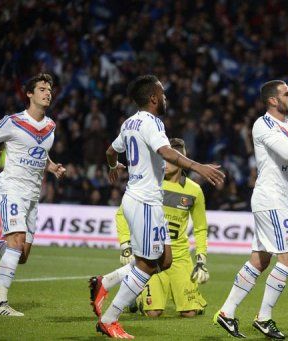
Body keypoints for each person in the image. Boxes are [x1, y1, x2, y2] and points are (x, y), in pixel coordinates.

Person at [89, 75, 224, 339]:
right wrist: (198, 167)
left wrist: (112, 166)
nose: (165, 98)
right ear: (153, 98)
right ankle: (109, 319)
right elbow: (166, 152)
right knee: (148, 265)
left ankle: (105, 283)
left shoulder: (129, 123)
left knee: (165, 259)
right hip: (145, 202)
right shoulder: (152, 122)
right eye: (162, 93)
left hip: (144, 200)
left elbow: (110, 151)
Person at [213, 80, 288, 339]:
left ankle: (226, 312)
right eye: (287, 93)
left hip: (276, 199)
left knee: (260, 259)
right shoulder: (264, 124)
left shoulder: (287, 128)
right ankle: (264, 318)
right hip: (271, 200)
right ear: (272, 100)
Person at [0, 73, 66, 316]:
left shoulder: (50, 126)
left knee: (21, 255)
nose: (48, 93)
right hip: (11, 188)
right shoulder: (12, 121)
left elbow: (40, 152)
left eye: (50, 89)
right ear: (29, 94)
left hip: (32, 195)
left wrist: (52, 166)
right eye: (42, 89)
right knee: (15, 242)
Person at [117, 137, 209, 318]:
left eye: (171, 158)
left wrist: (201, 260)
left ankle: (195, 300)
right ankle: (136, 299)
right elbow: (122, 214)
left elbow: (200, 228)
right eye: (163, 157)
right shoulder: (149, 183)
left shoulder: (194, 190)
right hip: (152, 254)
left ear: (182, 160)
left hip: (180, 256)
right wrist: (125, 245)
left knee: (189, 313)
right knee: (153, 312)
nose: (165, 162)